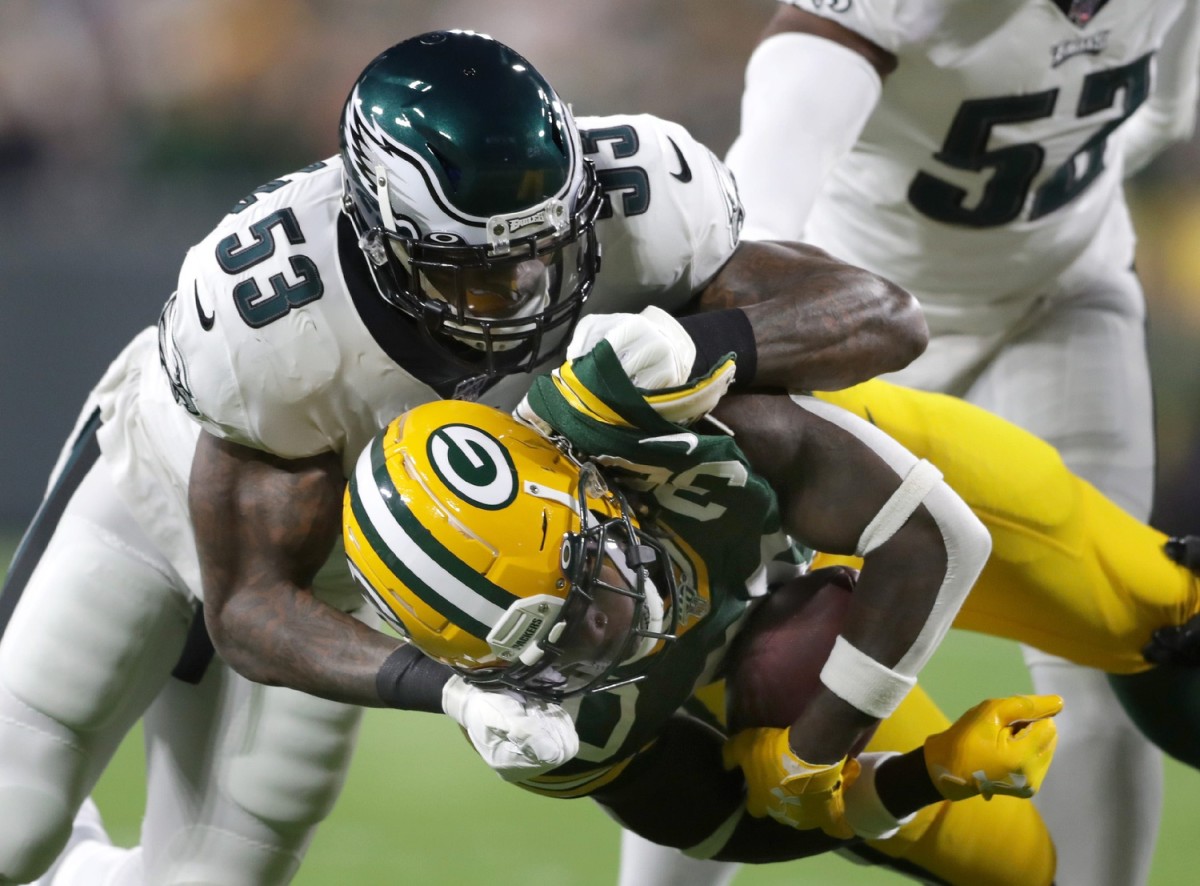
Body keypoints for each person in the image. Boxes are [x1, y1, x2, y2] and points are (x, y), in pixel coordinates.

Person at [0, 29, 930, 885]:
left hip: (351, 573)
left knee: (215, 876)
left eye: (543, 251)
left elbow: (884, 314)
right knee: (12, 817)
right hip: (155, 486)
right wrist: (448, 691)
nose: (523, 291)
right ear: (378, 237)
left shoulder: (643, 198)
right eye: (473, 269)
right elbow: (247, 605)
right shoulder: (272, 323)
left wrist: (709, 343)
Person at [628, 3, 1200, 886]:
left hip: (1062, 301)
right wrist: (755, 332)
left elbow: (1167, 107)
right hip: (865, 323)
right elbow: (774, 162)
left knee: (1118, 650)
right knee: (733, 648)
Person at [343, 332, 1200, 881]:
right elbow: (734, 826)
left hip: (877, 497)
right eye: (551, 648)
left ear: (584, 482)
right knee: (1013, 870)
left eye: (579, 584)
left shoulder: (647, 424)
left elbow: (931, 537)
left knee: (1168, 613)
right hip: (759, 666)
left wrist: (815, 750)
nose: (599, 634)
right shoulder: (542, 733)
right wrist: (921, 774)